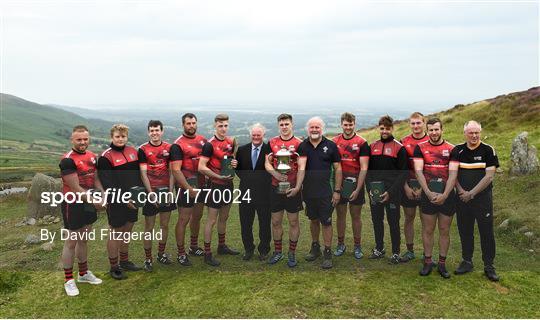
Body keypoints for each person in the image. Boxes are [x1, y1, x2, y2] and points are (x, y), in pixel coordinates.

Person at [452, 120, 500, 281]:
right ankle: (467, 261)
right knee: (465, 231)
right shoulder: (457, 150)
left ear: (480, 132)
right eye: (471, 132)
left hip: (482, 200)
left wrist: (471, 194)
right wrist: (460, 191)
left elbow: (489, 176)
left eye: (477, 132)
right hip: (462, 199)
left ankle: (489, 266)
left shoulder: (488, 150)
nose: (474, 135)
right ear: (465, 133)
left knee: (486, 232)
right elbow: (453, 175)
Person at [59, 125, 103, 296]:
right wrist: (95, 202)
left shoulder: (93, 157)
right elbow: (76, 188)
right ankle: (68, 280)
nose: (83, 142)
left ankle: (83, 274)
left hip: (89, 202)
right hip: (73, 203)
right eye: (79, 139)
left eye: (85, 139)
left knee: (84, 239)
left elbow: (96, 179)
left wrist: (103, 195)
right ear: (72, 140)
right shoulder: (67, 160)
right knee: (71, 241)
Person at [414, 118, 458, 278]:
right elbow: (419, 172)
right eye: (431, 130)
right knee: (428, 229)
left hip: (447, 196)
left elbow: (453, 174)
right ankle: (427, 262)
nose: (433, 133)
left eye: (436, 129)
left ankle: (442, 264)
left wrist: (445, 195)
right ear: (428, 130)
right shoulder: (420, 148)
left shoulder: (451, 149)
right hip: (428, 195)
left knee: (444, 230)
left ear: (442, 130)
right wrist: (428, 192)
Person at [98, 124, 143, 279]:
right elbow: (107, 184)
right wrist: (124, 199)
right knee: (116, 232)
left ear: (127, 137)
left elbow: (137, 176)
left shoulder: (132, 152)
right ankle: (114, 266)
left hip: (134, 199)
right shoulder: (106, 157)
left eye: (123, 136)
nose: (120, 139)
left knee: (128, 230)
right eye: (117, 136)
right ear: (112, 137)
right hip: (116, 201)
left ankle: (124, 261)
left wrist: (139, 195)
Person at [297, 116, 342, 269]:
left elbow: (338, 169)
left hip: (326, 192)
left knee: (326, 222)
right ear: (307, 129)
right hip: (309, 192)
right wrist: (298, 188)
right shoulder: (302, 146)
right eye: (312, 127)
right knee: (313, 220)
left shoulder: (331, 146)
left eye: (317, 127)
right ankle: (315, 247)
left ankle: (327, 252)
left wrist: (337, 191)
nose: (314, 130)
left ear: (322, 129)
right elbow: (300, 169)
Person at [198, 113, 240, 266]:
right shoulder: (209, 144)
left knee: (224, 217)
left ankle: (222, 246)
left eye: (226, 126)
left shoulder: (231, 141)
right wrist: (218, 176)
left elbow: (231, 161)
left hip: (228, 184)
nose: (223, 128)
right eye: (220, 126)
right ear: (215, 126)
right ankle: (207, 254)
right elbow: (201, 167)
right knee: (211, 220)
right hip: (215, 185)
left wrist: (234, 163)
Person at [366, 115, 408, 264]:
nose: (384, 131)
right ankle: (379, 249)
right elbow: (367, 172)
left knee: (393, 222)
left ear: (392, 129)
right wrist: (370, 190)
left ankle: (396, 253)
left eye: (387, 128)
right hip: (375, 193)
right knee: (377, 221)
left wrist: (390, 192)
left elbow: (403, 174)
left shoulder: (399, 148)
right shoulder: (372, 146)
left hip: (393, 194)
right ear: (379, 128)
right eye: (382, 128)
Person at [264, 114, 304, 267]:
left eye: (287, 124)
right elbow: (266, 164)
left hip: (292, 188)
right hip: (275, 187)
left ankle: (292, 253)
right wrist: (275, 173)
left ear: (291, 124)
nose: (284, 127)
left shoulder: (299, 144)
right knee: (276, 221)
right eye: (282, 124)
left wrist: (298, 187)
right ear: (278, 126)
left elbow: (301, 167)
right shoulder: (272, 142)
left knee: (293, 221)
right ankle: (278, 252)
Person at [170, 113, 208, 266]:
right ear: (183, 125)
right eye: (188, 123)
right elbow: (176, 170)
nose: (191, 126)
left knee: (197, 216)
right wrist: (187, 188)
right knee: (183, 219)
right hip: (185, 187)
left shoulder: (203, 141)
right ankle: (180, 252)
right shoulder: (177, 145)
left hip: (201, 185)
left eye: (193, 123)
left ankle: (193, 246)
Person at [138, 120, 176, 272]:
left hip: (166, 192)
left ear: (162, 131)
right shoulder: (143, 150)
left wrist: (170, 191)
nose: (154, 133)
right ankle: (148, 259)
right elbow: (143, 173)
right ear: (148, 132)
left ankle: (161, 253)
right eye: (152, 130)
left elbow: (173, 171)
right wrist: (151, 194)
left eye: (157, 130)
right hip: (151, 193)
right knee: (149, 227)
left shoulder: (169, 148)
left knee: (165, 225)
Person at [332, 112, 369, 259]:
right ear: (341, 124)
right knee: (340, 216)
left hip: (355, 186)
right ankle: (341, 244)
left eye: (351, 124)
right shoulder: (334, 141)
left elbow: (364, 168)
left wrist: (358, 189)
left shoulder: (362, 142)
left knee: (356, 216)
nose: (348, 127)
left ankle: (357, 246)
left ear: (355, 124)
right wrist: (336, 187)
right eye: (345, 124)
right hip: (340, 185)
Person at [235, 123, 272, 261]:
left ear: (263, 135)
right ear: (251, 135)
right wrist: (248, 179)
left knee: (264, 223)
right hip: (245, 192)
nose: (256, 137)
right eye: (254, 135)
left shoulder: (269, 149)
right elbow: (237, 169)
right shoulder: (242, 150)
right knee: (245, 223)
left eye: (259, 135)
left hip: (264, 193)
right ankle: (248, 249)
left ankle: (264, 250)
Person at [399, 112, 429, 262]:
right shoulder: (403, 142)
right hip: (408, 187)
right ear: (409, 124)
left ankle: (426, 253)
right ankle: (410, 251)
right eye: (413, 123)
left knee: (426, 221)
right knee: (409, 217)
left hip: (426, 188)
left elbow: (432, 169)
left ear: (424, 123)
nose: (416, 126)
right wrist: (405, 187)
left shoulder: (431, 140)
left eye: (418, 123)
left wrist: (424, 188)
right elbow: (399, 168)